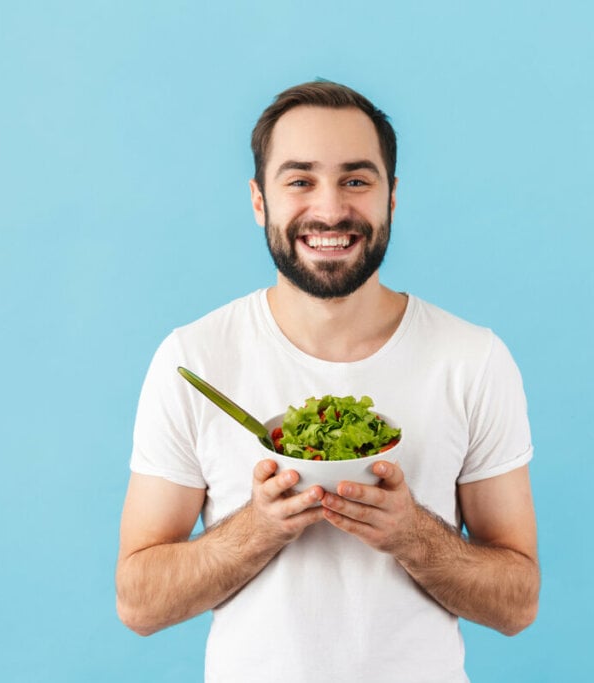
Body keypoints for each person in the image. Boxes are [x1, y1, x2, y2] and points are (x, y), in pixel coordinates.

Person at [116, 80, 539, 683]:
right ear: (260, 201)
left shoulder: (472, 359)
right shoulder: (195, 357)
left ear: (392, 197)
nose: (331, 209)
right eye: (300, 180)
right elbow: (138, 603)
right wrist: (256, 529)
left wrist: (412, 534)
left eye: (356, 180)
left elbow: (518, 603)